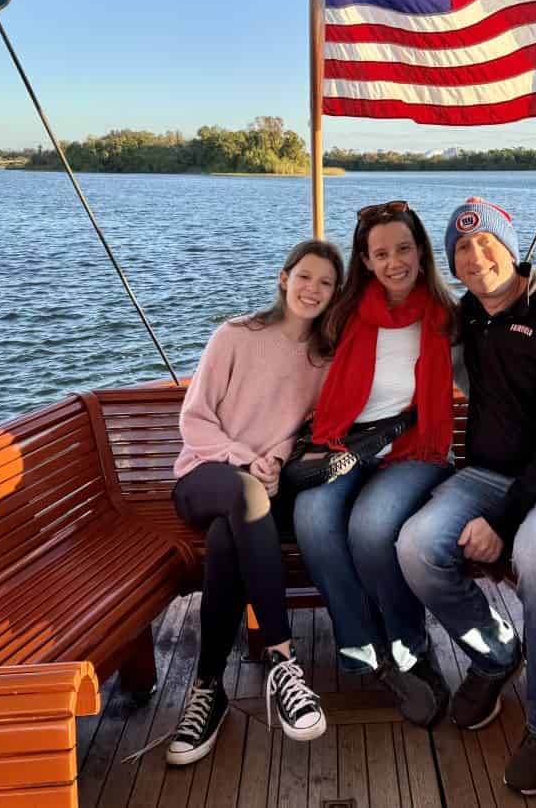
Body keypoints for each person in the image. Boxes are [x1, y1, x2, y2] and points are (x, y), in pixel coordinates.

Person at [397, 197, 536, 795]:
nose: (475, 255)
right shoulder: (467, 317)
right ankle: (495, 653)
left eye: (486, 241)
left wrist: (505, 519)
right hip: (487, 474)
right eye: (461, 249)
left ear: (511, 245)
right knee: (415, 545)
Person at [164, 239, 343, 766]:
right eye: (305, 276)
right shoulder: (236, 335)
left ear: (335, 296)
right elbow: (194, 420)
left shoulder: (322, 361)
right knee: (241, 495)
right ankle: (285, 662)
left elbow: (305, 431)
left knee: (226, 540)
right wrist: (244, 459)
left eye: (326, 283)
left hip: (264, 487)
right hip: (202, 474)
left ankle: (207, 691)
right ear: (284, 278)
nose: (313, 289)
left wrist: (278, 461)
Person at [293, 200, 457, 727]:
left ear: (421, 251)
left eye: (403, 249)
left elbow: (494, 373)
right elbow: (286, 336)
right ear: (365, 260)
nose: (394, 263)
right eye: (380, 253)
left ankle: (411, 644)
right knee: (313, 517)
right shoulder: (345, 314)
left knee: (370, 528)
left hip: (415, 447)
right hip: (346, 443)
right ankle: (365, 644)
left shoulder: (447, 317)